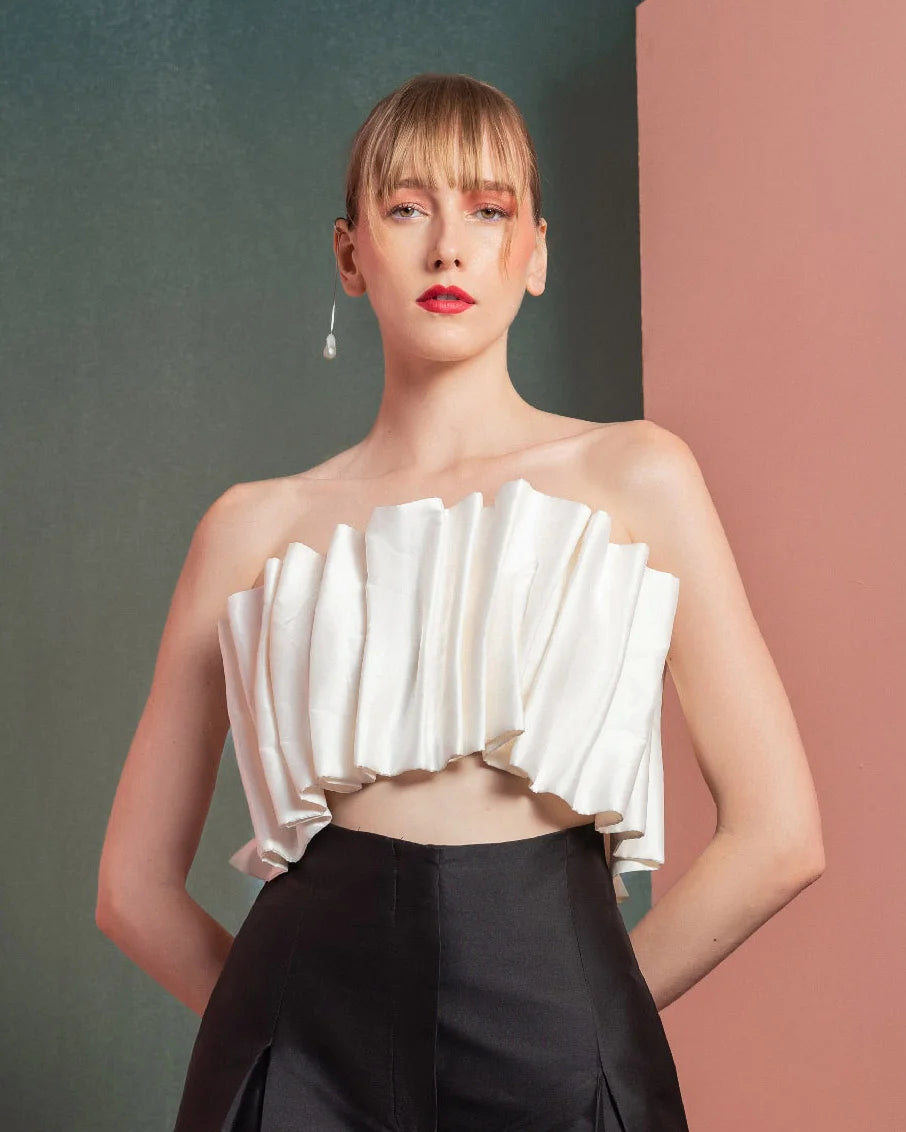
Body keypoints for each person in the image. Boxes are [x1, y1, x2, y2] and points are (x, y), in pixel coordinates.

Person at [96, 72, 825, 1131]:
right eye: (406, 208)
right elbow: (130, 890)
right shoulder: (250, 528)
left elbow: (778, 835)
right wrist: (276, 1036)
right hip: (304, 1055)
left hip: (559, 1033)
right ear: (350, 254)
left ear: (535, 251)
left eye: (487, 210)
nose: (448, 248)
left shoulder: (638, 476)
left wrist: (596, 1014)